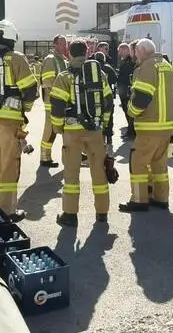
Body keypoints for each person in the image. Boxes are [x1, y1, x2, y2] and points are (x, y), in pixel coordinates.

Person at [0, 20, 39, 221]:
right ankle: (7, 211)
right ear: (12, 38)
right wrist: (24, 110)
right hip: (9, 120)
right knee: (9, 165)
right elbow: (30, 89)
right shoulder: (16, 58)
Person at [50, 40, 113, 226]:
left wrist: (58, 128)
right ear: (87, 53)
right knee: (99, 171)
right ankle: (102, 213)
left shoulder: (64, 76)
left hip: (72, 131)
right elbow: (108, 102)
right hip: (95, 130)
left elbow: (57, 106)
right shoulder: (99, 75)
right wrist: (103, 125)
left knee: (71, 173)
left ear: (69, 53)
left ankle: (70, 215)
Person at [120, 38, 173, 212]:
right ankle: (161, 199)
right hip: (167, 126)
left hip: (149, 126)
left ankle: (139, 200)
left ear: (142, 50)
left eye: (136, 51)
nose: (134, 55)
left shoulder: (146, 67)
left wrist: (130, 112)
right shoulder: (167, 66)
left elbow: (141, 98)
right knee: (159, 165)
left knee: (138, 163)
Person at [39, 35, 70, 168]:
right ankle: (44, 157)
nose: (65, 46)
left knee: (65, 128)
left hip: (62, 100)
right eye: (62, 43)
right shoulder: (51, 59)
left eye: (65, 43)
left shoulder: (62, 59)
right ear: (55, 44)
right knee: (50, 129)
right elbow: (47, 82)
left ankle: (71, 155)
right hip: (53, 102)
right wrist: (58, 95)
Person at [116, 42, 137, 141]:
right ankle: (130, 129)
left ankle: (131, 131)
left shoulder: (130, 61)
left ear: (126, 50)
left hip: (126, 89)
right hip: (123, 88)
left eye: (121, 51)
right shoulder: (125, 60)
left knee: (129, 110)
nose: (119, 53)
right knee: (126, 110)